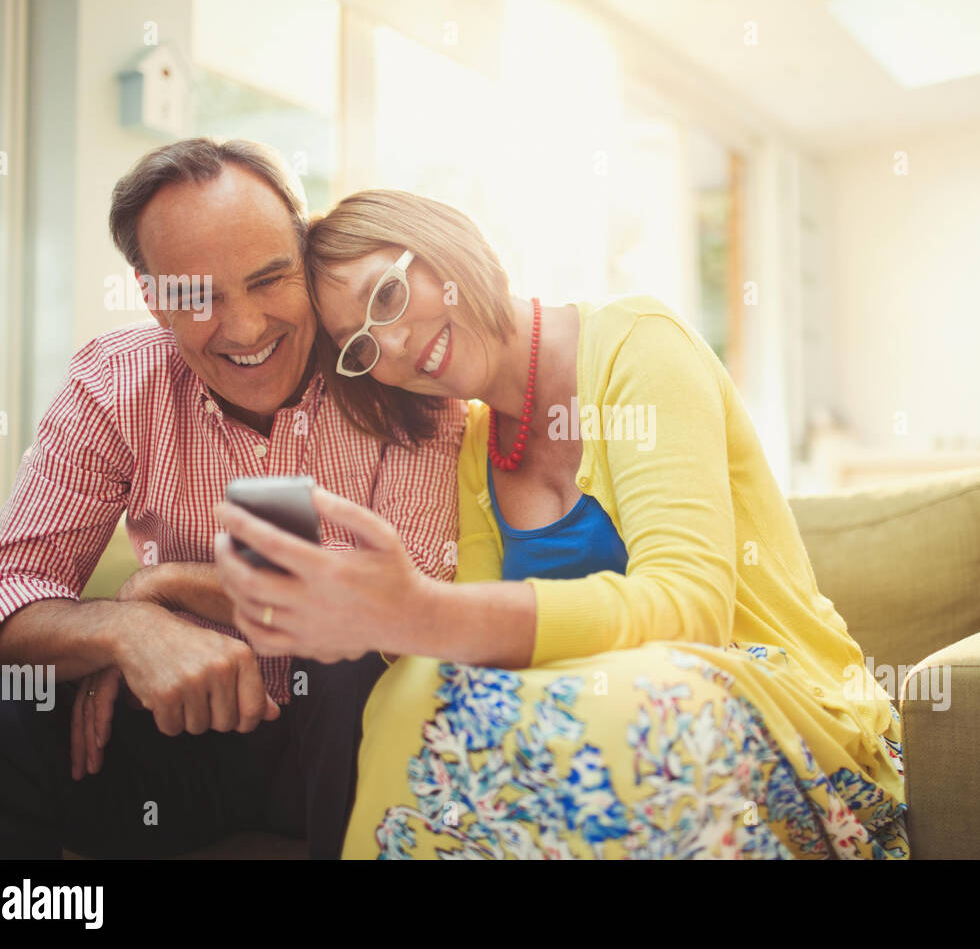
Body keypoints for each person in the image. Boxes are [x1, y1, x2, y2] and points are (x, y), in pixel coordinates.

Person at [212, 189, 909, 859]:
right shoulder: (476, 444)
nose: (392, 346)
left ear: (442, 244)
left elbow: (690, 607)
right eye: (360, 348)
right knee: (411, 696)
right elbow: (462, 648)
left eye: (387, 295)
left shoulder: (640, 343)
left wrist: (428, 610)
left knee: (638, 710)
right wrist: (374, 616)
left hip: (782, 706)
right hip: (595, 717)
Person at [0, 140, 464, 859]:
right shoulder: (116, 383)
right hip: (175, 739)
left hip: (347, 737)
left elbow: (397, 605)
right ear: (153, 297)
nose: (247, 328)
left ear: (306, 254)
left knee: (349, 666)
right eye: (197, 296)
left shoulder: (394, 367)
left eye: (269, 279)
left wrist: (165, 588)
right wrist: (125, 635)